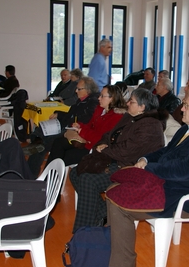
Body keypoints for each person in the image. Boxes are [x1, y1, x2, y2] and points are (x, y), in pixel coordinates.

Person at [98, 89, 189, 267]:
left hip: (182, 196)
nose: (181, 109)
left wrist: (149, 169)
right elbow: (165, 153)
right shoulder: (188, 128)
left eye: (186, 105)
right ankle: (115, 256)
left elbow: (185, 171)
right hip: (167, 185)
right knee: (114, 190)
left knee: (117, 202)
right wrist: (145, 159)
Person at [69, 88, 167, 233]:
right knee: (75, 172)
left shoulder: (151, 125)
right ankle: (104, 213)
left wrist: (105, 149)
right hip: (116, 159)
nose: (127, 103)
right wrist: (102, 144)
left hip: (132, 168)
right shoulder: (130, 116)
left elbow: (127, 151)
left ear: (142, 107)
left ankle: (84, 231)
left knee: (88, 180)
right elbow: (109, 134)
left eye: (131, 101)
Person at [27, 77, 100, 176]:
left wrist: (70, 119)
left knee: (44, 142)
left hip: (73, 130)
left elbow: (84, 120)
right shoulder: (82, 100)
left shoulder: (92, 102)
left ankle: (30, 172)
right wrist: (59, 114)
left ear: (88, 90)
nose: (76, 91)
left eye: (79, 89)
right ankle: (35, 143)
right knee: (39, 130)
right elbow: (71, 114)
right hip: (67, 126)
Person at [46, 84, 127, 166]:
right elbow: (90, 125)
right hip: (86, 141)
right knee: (58, 143)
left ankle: (54, 173)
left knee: (66, 156)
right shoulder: (100, 109)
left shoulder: (117, 117)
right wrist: (79, 126)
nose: (99, 98)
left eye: (102, 96)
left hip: (95, 148)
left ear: (112, 99)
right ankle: (48, 174)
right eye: (100, 95)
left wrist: (82, 131)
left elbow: (102, 139)